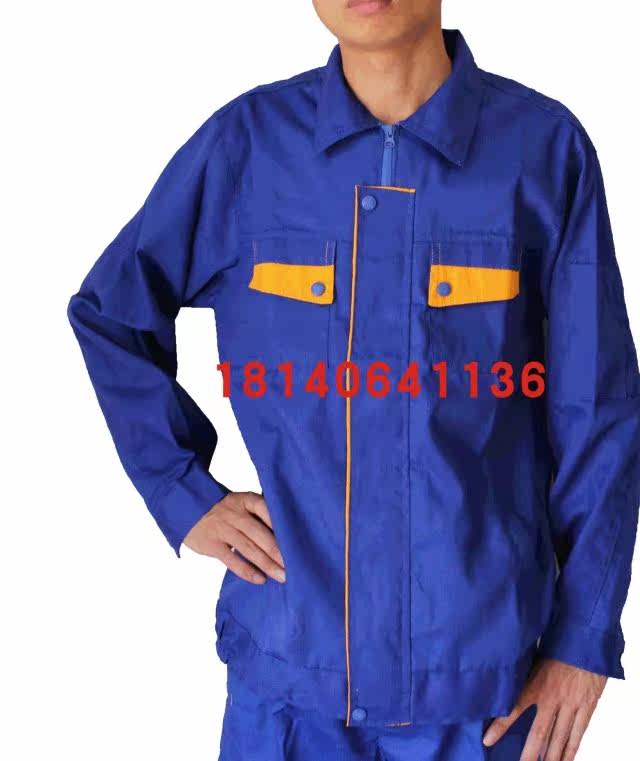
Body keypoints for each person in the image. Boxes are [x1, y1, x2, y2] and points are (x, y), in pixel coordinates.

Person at [68, 1, 640, 759]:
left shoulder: (541, 151)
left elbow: (599, 412)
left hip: (481, 696)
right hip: (290, 685)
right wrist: (182, 491)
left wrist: (582, 641)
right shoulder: (248, 148)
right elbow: (111, 312)